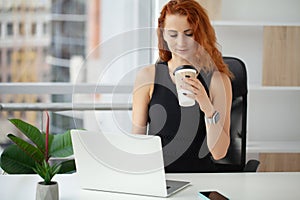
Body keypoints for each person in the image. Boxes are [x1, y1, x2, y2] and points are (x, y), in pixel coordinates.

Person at [132, 0, 232, 172]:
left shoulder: (218, 81)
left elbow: (219, 152)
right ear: (163, 35)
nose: (181, 42)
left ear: (200, 34)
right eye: (172, 34)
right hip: (158, 177)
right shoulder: (148, 76)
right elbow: (137, 139)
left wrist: (206, 106)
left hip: (201, 178)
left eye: (189, 33)